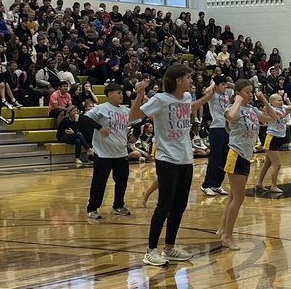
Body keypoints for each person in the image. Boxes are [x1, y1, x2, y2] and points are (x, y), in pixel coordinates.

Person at [130, 65, 215, 266]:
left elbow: (189, 108)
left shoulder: (185, 98)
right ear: (178, 80)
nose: (191, 81)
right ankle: (150, 251)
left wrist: (207, 97)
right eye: (188, 77)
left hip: (186, 158)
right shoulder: (160, 100)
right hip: (167, 159)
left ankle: (169, 247)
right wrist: (140, 93)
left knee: (180, 205)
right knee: (164, 205)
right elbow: (133, 117)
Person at [218, 79, 276, 249]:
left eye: (251, 92)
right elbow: (230, 117)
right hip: (235, 154)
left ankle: (222, 229)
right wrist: (236, 101)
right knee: (239, 197)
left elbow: (272, 117)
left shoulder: (251, 110)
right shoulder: (232, 108)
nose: (250, 95)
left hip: (245, 155)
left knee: (232, 196)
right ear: (238, 93)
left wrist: (264, 100)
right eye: (247, 92)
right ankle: (227, 235)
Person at [80, 83, 133, 219]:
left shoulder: (125, 110)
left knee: (122, 181)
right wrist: (99, 127)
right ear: (109, 94)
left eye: (121, 92)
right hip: (103, 153)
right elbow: (84, 119)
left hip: (121, 152)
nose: (121, 95)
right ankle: (92, 208)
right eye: (118, 92)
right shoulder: (101, 108)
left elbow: (138, 121)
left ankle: (118, 205)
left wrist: (136, 134)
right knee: (99, 182)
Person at [256, 93, 291, 193]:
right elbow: (265, 108)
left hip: (278, 138)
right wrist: (276, 112)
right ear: (272, 102)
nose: (281, 102)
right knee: (277, 164)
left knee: (267, 163)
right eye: (278, 100)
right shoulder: (269, 108)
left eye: (281, 100)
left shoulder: (284, 107)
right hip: (272, 138)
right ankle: (273, 186)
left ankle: (259, 183)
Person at [200, 75, 233, 197]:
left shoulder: (226, 95)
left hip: (227, 129)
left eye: (226, 84)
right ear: (217, 85)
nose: (225, 86)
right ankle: (206, 185)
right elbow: (207, 91)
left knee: (224, 159)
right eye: (223, 84)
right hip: (216, 129)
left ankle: (217, 184)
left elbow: (238, 88)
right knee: (215, 158)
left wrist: (227, 83)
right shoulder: (212, 95)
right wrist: (214, 82)